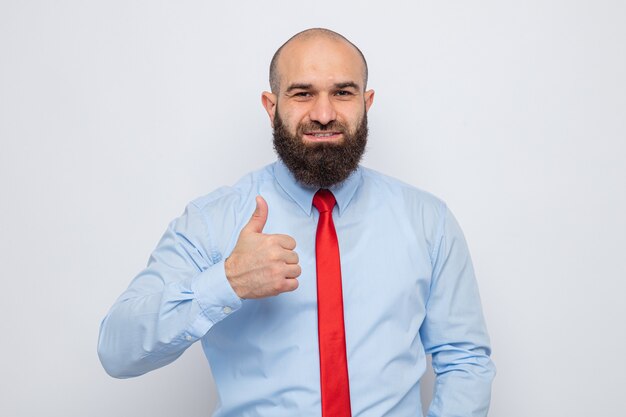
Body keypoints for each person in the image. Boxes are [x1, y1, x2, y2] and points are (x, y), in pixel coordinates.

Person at [98, 28, 495, 416]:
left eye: (342, 92)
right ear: (271, 107)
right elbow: (117, 350)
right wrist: (227, 282)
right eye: (302, 94)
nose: (324, 115)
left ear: (367, 103)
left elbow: (465, 361)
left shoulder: (428, 220)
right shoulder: (212, 221)